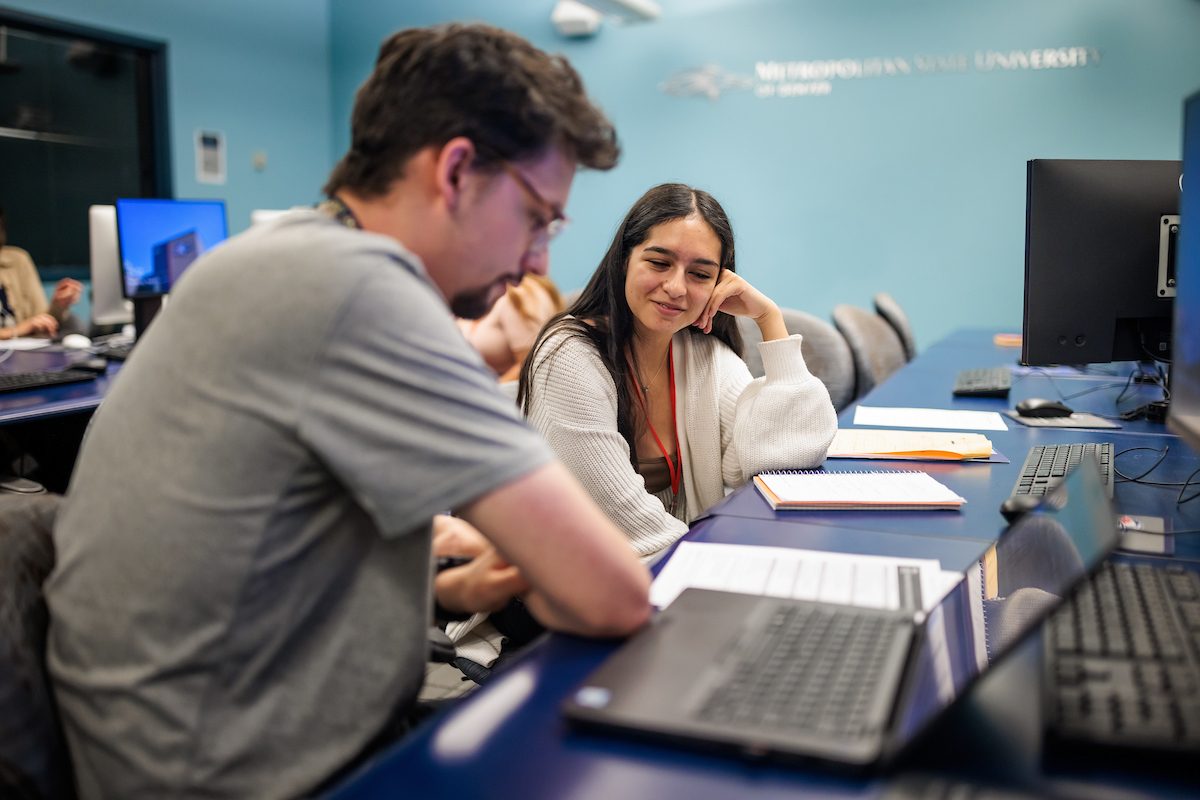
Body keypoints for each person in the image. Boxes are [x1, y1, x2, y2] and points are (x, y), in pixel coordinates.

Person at [44, 23, 649, 799]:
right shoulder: (356, 289)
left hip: (224, 734)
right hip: (246, 774)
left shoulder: (292, 255)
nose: (539, 260)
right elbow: (611, 595)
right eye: (538, 218)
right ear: (457, 171)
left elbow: (264, 544)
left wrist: (437, 586)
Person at [518, 183, 838, 557]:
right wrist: (719, 563)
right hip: (570, 588)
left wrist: (770, 320)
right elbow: (622, 523)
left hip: (673, 567)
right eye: (658, 262)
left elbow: (787, 456)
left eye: (700, 275)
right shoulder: (568, 357)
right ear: (624, 260)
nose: (675, 287)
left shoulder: (701, 355)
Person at [458, 273, 564, 381]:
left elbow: (532, 364)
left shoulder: (520, 293)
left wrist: (487, 392)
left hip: (502, 392)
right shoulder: (473, 296)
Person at [0, 206, 83, 340]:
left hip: (24, 352)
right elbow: (27, 326)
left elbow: (39, 319)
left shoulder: (17, 261)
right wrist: (17, 330)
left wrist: (58, 305)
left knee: (75, 325)